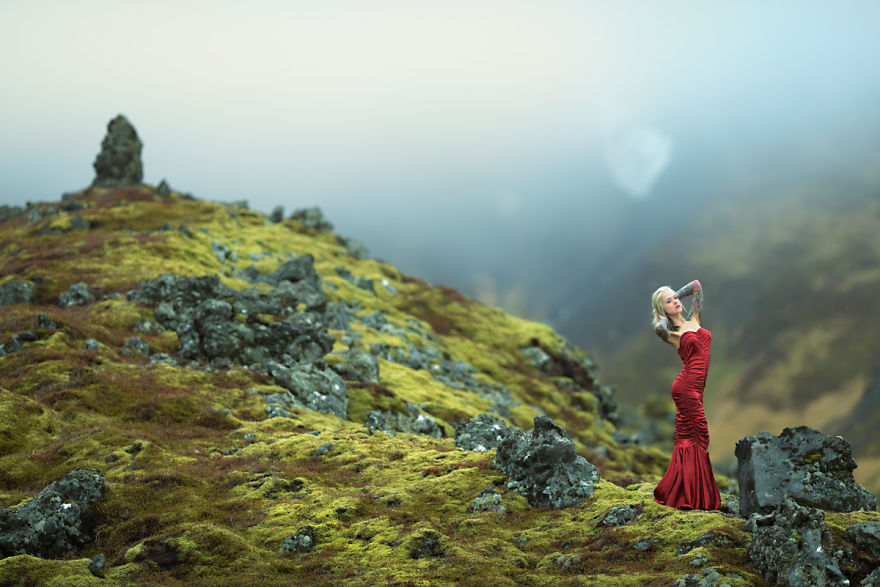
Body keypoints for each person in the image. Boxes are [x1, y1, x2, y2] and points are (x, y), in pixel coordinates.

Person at [650, 280, 721, 510]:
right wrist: (660, 312)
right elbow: (658, 328)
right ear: (662, 310)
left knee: (687, 440)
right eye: (669, 302)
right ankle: (695, 496)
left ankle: (682, 494)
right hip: (686, 388)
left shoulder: (694, 319)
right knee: (702, 438)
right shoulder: (670, 332)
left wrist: (673, 295)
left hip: (696, 390)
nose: (676, 301)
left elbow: (697, 286)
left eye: (676, 298)